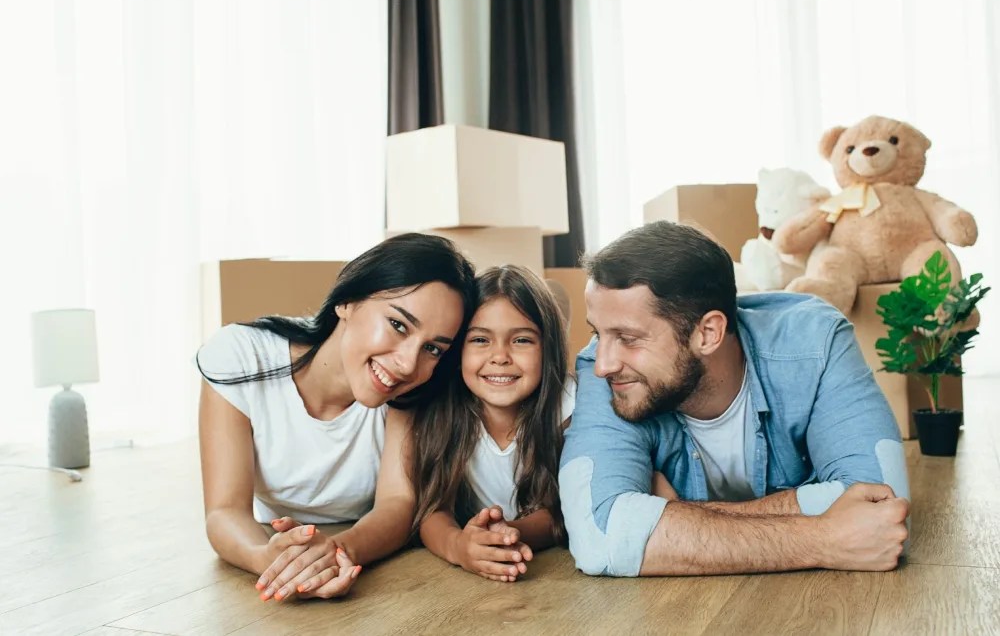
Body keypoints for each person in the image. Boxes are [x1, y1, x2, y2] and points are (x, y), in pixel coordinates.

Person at [560, 221, 911, 577]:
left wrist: (672, 514)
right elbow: (598, 537)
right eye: (598, 333)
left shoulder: (814, 344)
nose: (603, 365)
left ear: (708, 333)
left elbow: (883, 509)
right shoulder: (609, 374)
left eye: (628, 338)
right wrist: (824, 538)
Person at [196, 233, 476, 600]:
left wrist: (337, 552)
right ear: (347, 301)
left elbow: (398, 504)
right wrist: (265, 558)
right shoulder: (241, 356)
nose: (409, 364)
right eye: (398, 325)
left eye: (433, 348)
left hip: (359, 540)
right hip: (270, 536)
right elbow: (224, 511)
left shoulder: (412, 392)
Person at [412, 265, 572, 582]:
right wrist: (459, 546)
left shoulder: (569, 408)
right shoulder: (442, 411)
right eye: (480, 339)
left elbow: (563, 510)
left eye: (522, 340)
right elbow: (432, 510)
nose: (500, 357)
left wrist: (507, 534)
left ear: (549, 348)